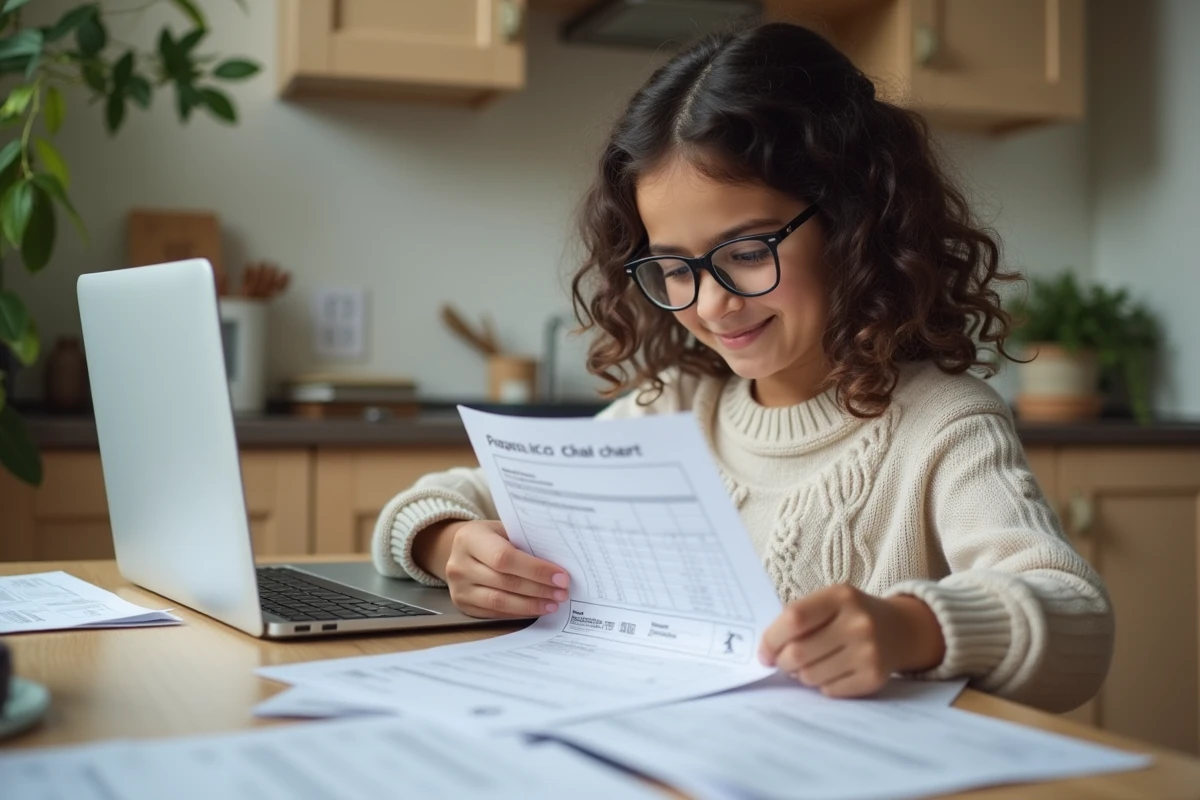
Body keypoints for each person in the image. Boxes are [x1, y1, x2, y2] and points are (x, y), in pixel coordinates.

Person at [371, 22, 1112, 713]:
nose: (712, 304)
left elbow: (1077, 622)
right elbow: (439, 498)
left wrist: (911, 627)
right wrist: (449, 545)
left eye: (749, 251)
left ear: (853, 221)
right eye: (673, 268)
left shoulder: (942, 424)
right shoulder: (673, 408)